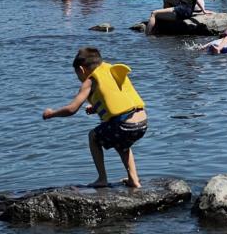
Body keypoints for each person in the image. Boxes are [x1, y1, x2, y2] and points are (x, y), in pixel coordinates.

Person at [42, 47, 148, 188]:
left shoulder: (90, 81)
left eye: (77, 75)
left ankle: (102, 179)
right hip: (142, 122)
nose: (79, 79)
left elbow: (72, 109)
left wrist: (51, 113)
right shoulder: (110, 70)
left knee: (93, 136)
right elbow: (117, 98)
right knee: (121, 142)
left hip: (124, 125)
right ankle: (133, 179)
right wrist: (96, 108)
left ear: (81, 69)